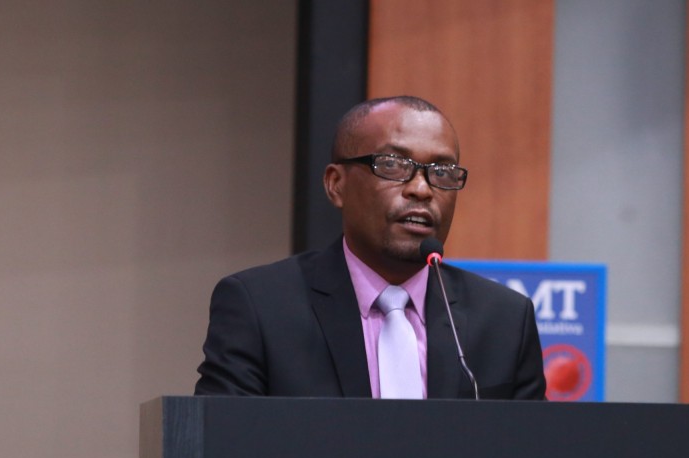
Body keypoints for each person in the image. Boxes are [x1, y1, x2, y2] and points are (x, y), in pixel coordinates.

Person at [194, 96, 545, 399]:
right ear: (336, 184)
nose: (421, 189)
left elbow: (533, 450)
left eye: (442, 171)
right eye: (393, 165)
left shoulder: (504, 320)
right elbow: (223, 443)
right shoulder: (261, 307)